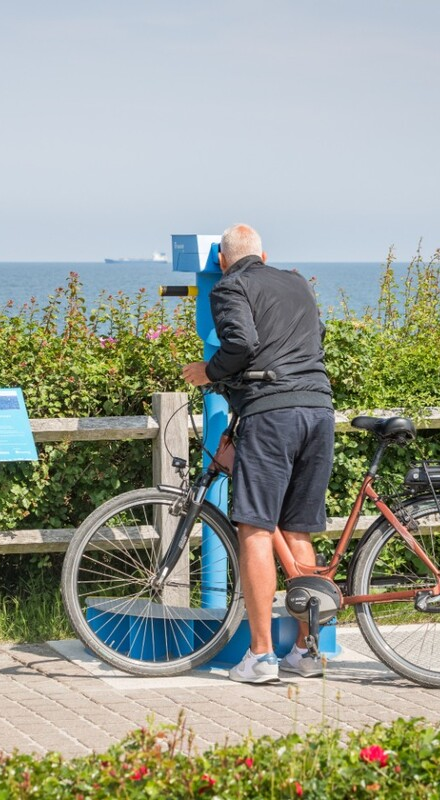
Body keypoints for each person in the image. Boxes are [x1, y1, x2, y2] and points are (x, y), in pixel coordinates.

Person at [180, 223, 335, 684]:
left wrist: (209, 372)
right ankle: (307, 652)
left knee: (255, 529)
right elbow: (315, 336)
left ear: (222, 260)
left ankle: (262, 655)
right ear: (263, 256)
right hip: (318, 410)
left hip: (272, 415)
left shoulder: (229, 286)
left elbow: (242, 343)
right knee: (297, 528)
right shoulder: (297, 282)